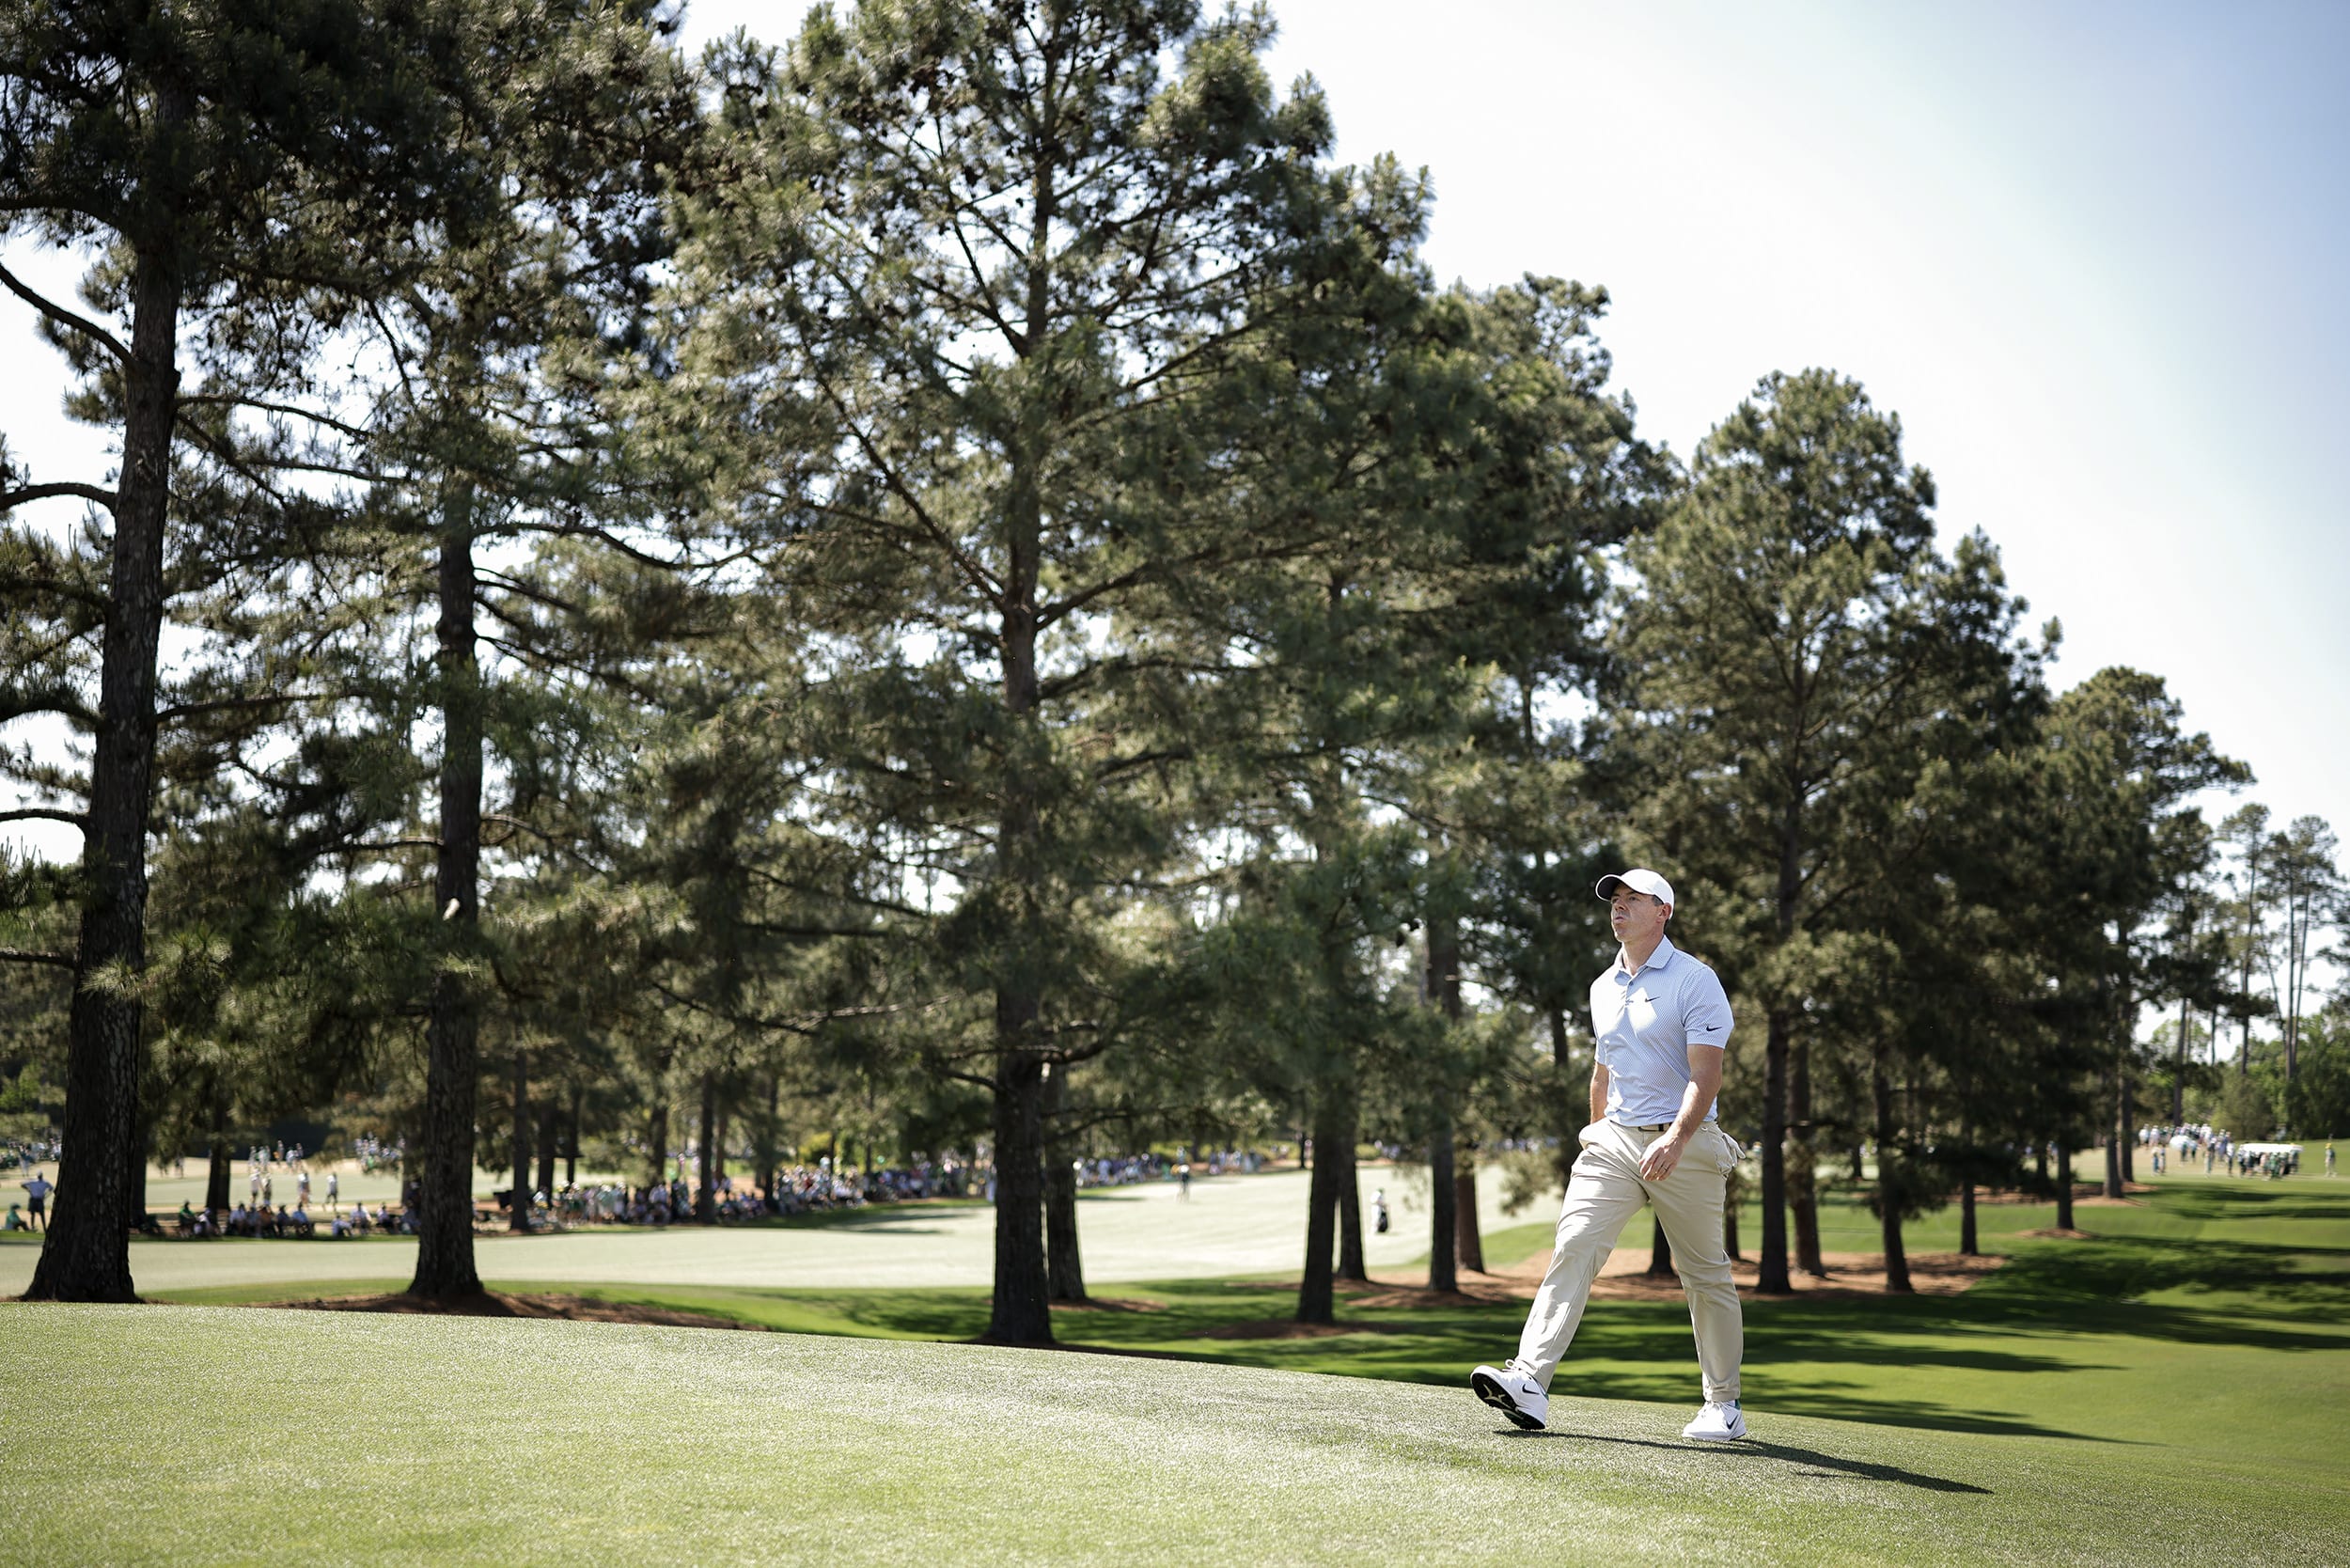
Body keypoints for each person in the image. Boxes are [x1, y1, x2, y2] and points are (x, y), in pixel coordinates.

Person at [1472, 869, 1747, 1444]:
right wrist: (1596, 1134)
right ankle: (1529, 1381)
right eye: (1615, 900)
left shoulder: (1696, 981)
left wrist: (1675, 1139)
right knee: (1573, 1245)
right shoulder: (1603, 986)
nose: (1618, 907)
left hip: (1686, 1141)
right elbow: (1604, 1069)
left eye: (1632, 899)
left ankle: (1723, 1404)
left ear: (1663, 911)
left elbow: (1706, 1075)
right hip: (1615, 1141)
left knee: (1704, 1274)